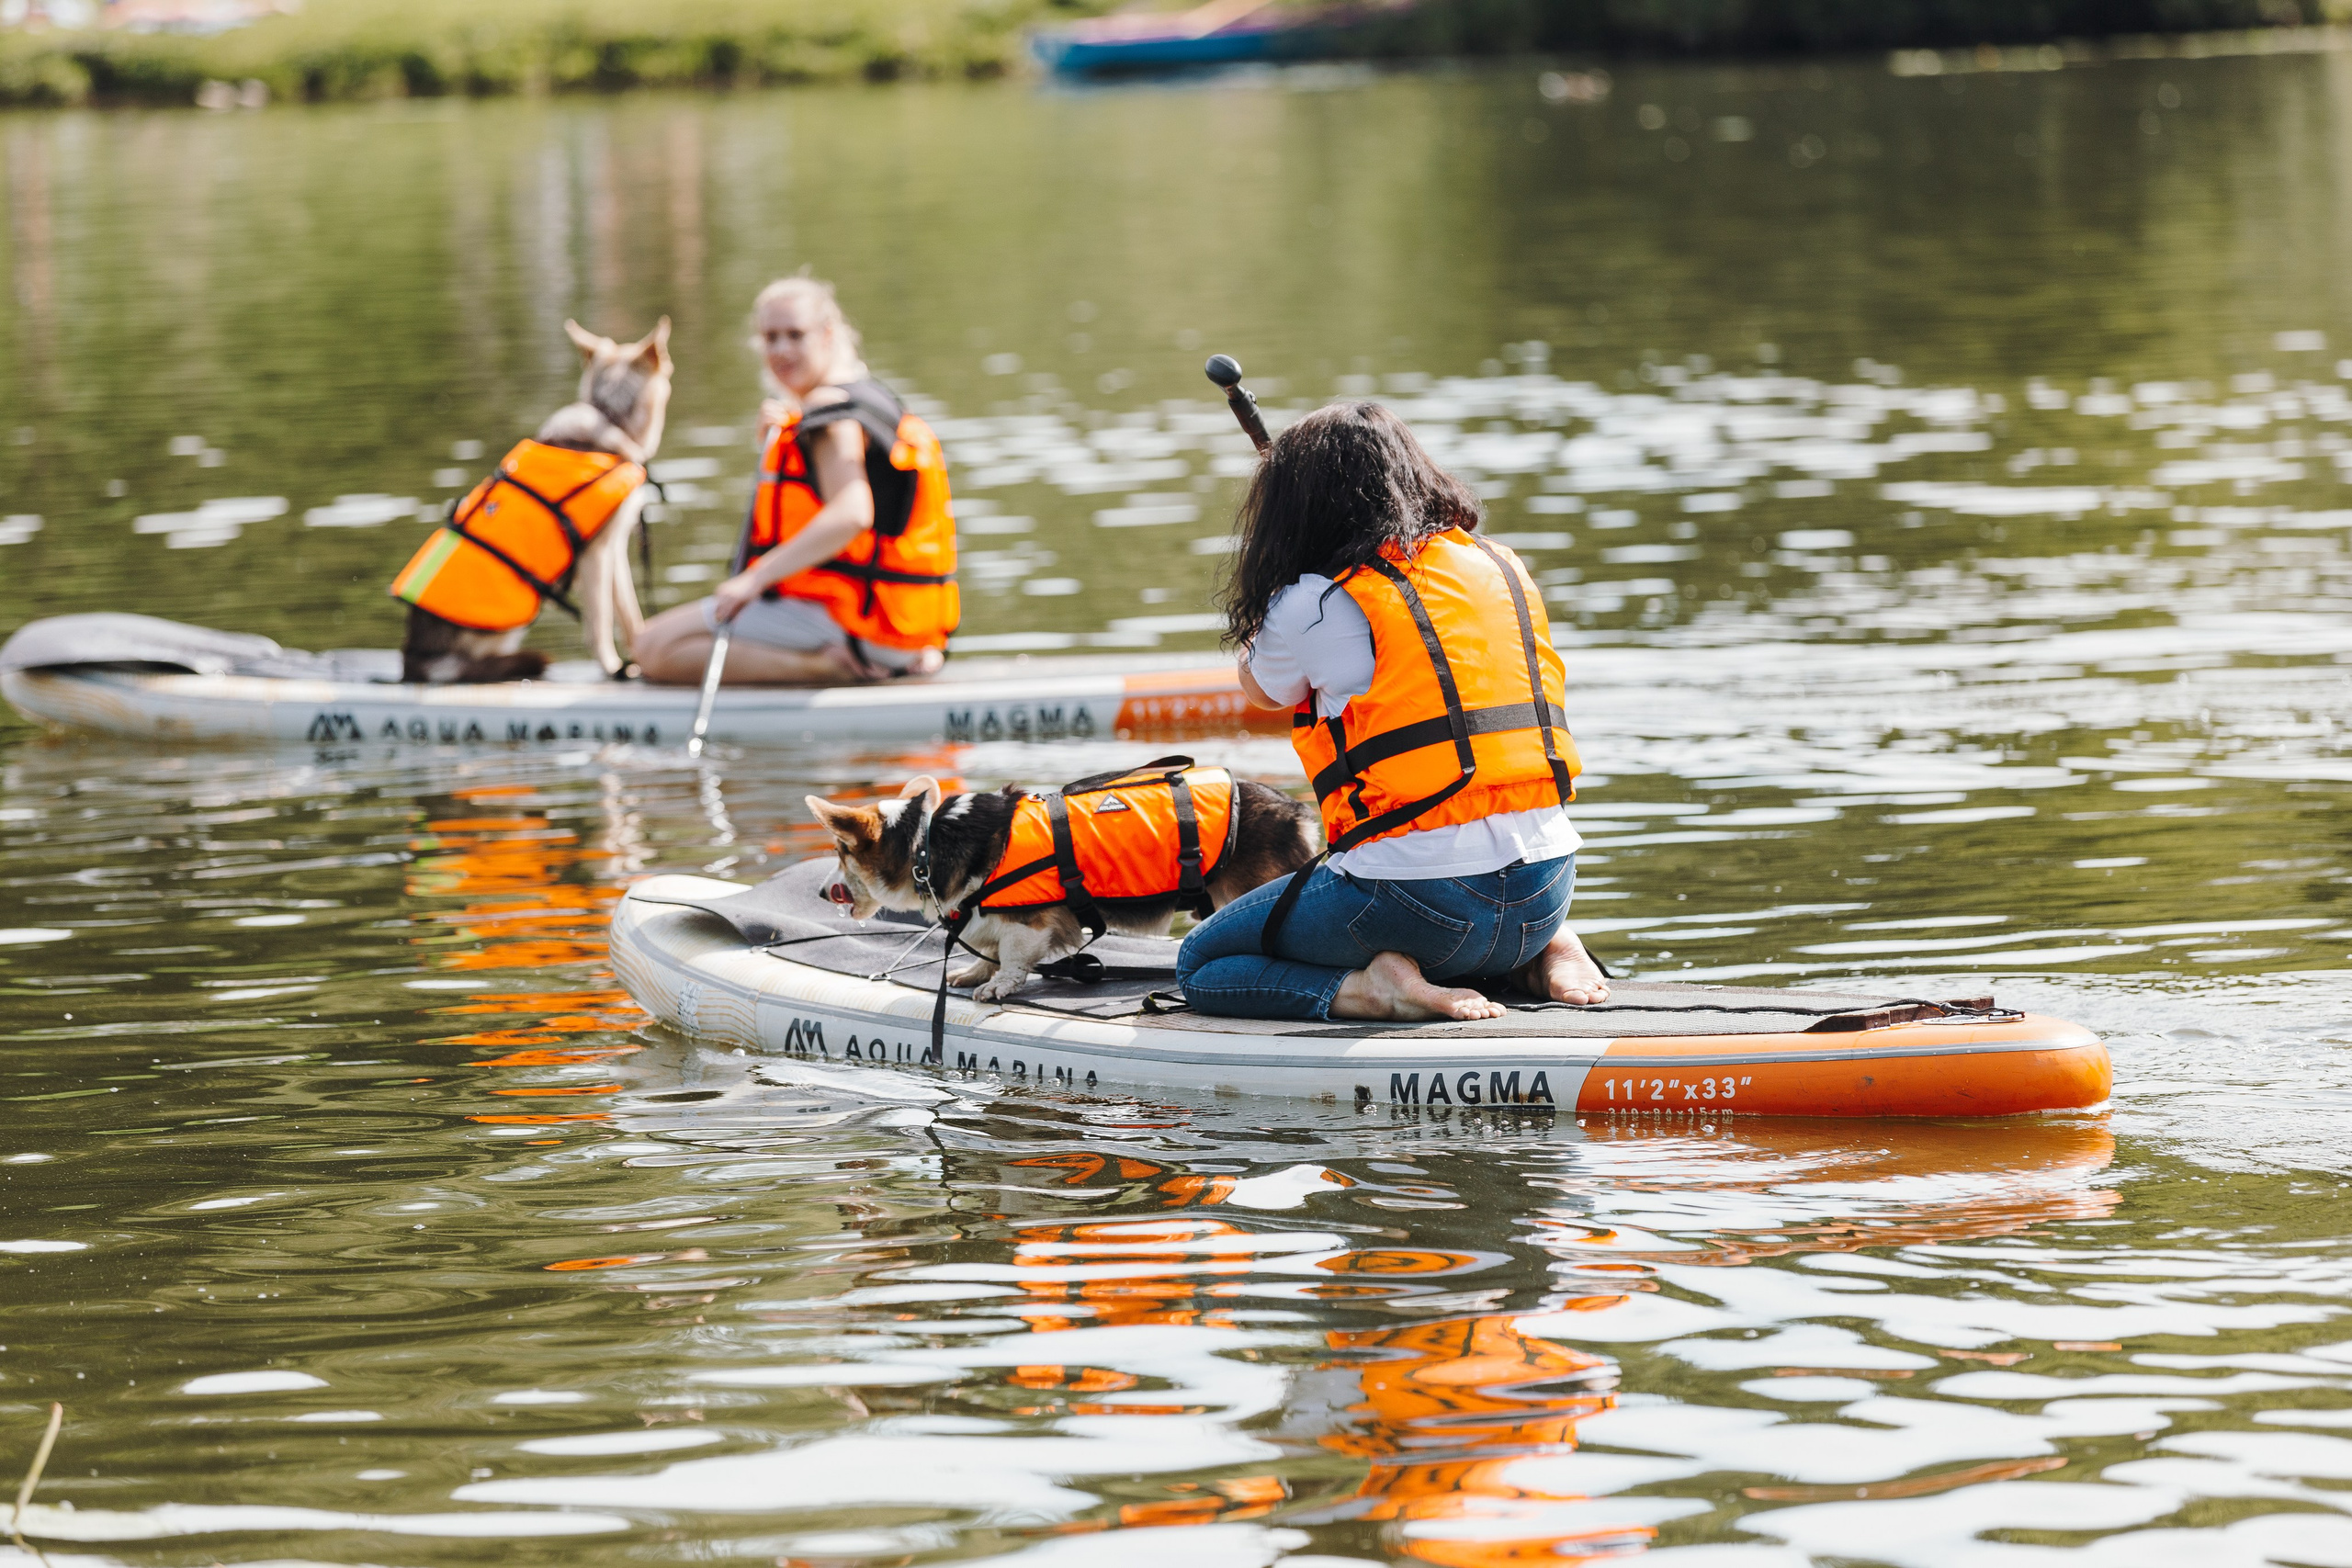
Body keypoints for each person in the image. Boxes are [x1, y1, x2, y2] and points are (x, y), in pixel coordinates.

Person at [1174, 401, 1611, 1022]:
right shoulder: (1496, 562)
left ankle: (1372, 989)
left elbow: (1261, 688)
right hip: (1548, 887)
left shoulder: (1312, 600)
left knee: (1201, 963)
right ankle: (1545, 949)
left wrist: (1279, 586)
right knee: (1484, 901)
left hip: (1418, 905)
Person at [636, 276, 957, 685]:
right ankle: (878, 658)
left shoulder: (828, 410)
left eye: (795, 335)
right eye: (771, 337)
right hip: (901, 625)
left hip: (860, 624)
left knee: (651, 648)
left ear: (827, 336)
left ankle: (828, 668)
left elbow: (853, 513)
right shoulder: (866, 396)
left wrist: (754, 579)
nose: (781, 349)